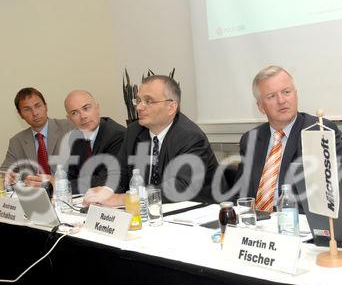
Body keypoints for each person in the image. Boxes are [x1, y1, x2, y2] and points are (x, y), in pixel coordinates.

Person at [83, 75, 223, 206]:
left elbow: (179, 187)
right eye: (138, 100)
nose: (139, 107)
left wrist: (123, 199)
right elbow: (120, 172)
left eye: (148, 101)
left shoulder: (190, 136)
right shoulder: (134, 131)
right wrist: (106, 191)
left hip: (198, 214)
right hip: (150, 210)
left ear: (171, 107)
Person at [236, 65, 342, 212]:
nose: (281, 100)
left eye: (286, 92)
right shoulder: (251, 139)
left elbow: (327, 197)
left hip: (297, 224)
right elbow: (241, 195)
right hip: (257, 226)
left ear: (296, 95)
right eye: (272, 96)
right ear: (261, 107)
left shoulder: (319, 132)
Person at [0, 87, 73, 186]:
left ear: (46, 106)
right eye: (27, 109)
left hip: (66, 193)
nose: (35, 113)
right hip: (35, 196)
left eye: (38, 106)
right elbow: (4, 173)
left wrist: (57, 182)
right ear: (20, 115)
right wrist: (10, 178)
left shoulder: (69, 127)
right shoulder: (16, 142)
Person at [63, 90, 126, 194]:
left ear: (97, 108)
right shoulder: (76, 137)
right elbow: (71, 173)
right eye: (75, 113)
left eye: (86, 108)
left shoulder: (117, 135)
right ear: (69, 119)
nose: (83, 116)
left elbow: (104, 180)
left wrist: (63, 185)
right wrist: (50, 183)